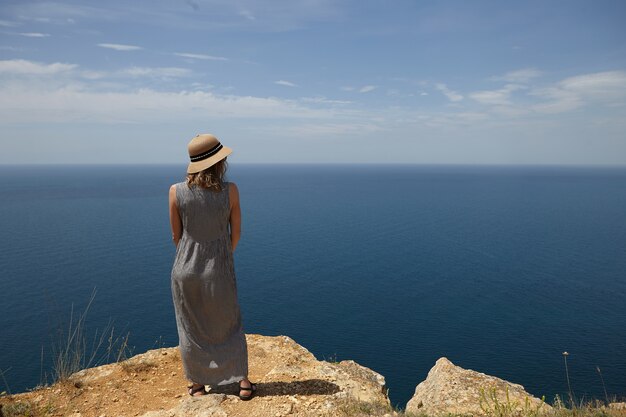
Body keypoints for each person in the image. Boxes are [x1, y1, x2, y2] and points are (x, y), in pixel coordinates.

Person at [169, 133, 256, 400]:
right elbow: (237, 232)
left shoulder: (175, 191)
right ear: (218, 163)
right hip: (218, 268)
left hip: (185, 270)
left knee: (191, 327)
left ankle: (197, 386)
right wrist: (220, 256)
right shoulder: (231, 191)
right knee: (229, 322)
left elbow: (177, 236)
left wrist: (190, 259)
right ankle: (242, 382)